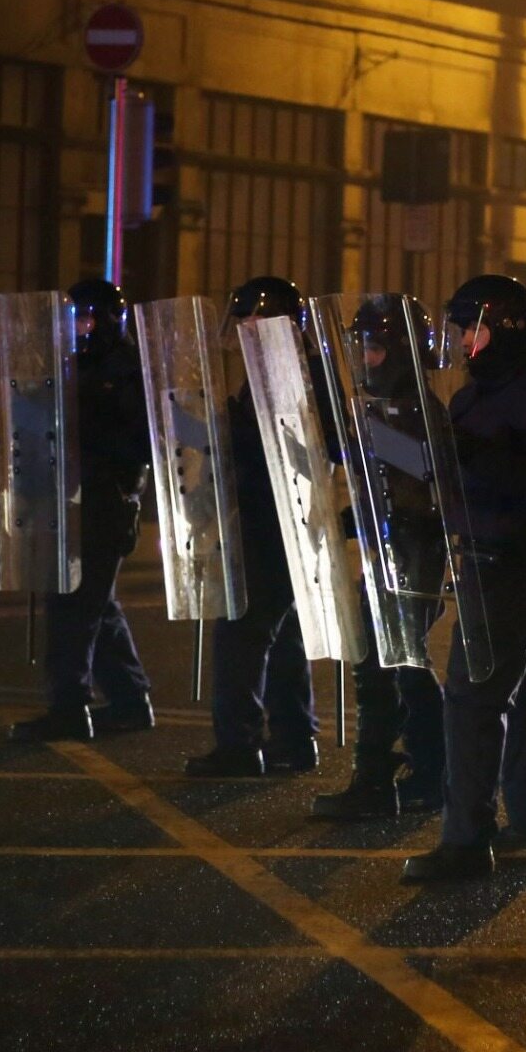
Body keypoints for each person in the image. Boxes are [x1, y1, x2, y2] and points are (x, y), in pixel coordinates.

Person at [401, 274, 526, 882]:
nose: (462, 341)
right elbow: (451, 476)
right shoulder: (471, 396)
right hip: (475, 552)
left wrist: (473, 452)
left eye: (470, 328)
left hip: (517, 555)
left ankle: (467, 840)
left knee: (472, 699)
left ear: (501, 328)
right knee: (513, 691)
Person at [312, 294, 447, 819]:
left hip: (411, 558)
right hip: (390, 551)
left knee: (386, 665)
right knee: (400, 667)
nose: (365, 359)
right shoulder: (384, 407)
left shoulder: (415, 410)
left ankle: (380, 779)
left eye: (373, 349)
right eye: (360, 348)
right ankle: (427, 771)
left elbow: (418, 492)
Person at [187, 276, 323, 777]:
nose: (246, 328)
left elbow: (293, 448)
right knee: (281, 634)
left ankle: (239, 744)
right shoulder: (268, 369)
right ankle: (294, 736)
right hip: (271, 521)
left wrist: (227, 436)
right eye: (241, 319)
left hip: (280, 522)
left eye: (255, 319)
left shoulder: (296, 375)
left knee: (241, 632)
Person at [11, 279, 156, 743]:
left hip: (104, 501)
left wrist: (86, 423)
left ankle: (69, 707)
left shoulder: (125, 368)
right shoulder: (75, 364)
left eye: (83, 318)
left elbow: (137, 442)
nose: (75, 327)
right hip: (72, 497)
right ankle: (131, 700)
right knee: (96, 604)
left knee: (73, 606)